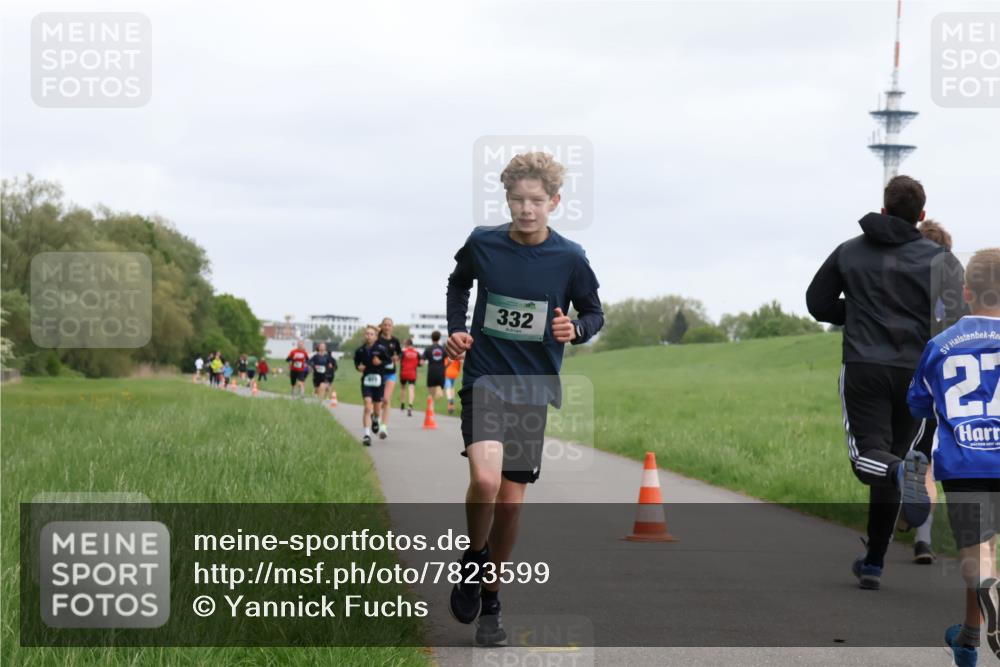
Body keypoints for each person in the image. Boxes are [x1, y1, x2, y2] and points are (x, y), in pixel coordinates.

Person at [445, 152, 604, 646]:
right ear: (507, 199)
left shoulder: (570, 257)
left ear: (554, 202)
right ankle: (474, 557)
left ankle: (491, 599)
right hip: (485, 378)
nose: (526, 209)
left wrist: (574, 329)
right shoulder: (483, 244)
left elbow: (594, 313)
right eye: (517, 199)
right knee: (485, 478)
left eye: (536, 200)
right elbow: (458, 283)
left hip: (532, 388)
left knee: (511, 506)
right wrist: (456, 330)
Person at [806, 175, 966, 590]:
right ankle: (874, 561)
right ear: (921, 216)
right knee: (897, 453)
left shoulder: (849, 251)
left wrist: (858, 314)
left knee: (870, 460)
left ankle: (898, 479)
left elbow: (817, 303)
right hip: (918, 373)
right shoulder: (942, 261)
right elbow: (951, 321)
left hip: (864, 366)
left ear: (883, 210)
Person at [907, 248, 1000, 666]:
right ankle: (969, 636)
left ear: (966, 293)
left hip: (965, 462)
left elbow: (919, 404)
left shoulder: (940, 345)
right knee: (987, 555)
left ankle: (976, 631)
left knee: (978, 552)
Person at [354, 325, 389, 446]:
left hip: (378, 381)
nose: (369, 336)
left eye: (371, 334)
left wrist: (380, 362)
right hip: (366, 381)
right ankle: (367, 435)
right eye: (367, 334)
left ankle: (375, 419)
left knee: (377, 408)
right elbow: (357, 363)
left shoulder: (381, 349)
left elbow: (388, 361)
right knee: (367, 406)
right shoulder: (360, 350)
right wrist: (359, 367)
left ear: (375, 337)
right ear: (364, 335)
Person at [377, 318, 403, 439]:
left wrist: (397, 357)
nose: (387, 327)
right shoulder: (377, 340)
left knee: (386, 399)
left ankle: (383, 427)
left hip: (390, 374)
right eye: (385, 325)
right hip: (377, 374)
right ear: (382, 326)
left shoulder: (395, 341)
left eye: (389, 325)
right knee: (378, 400)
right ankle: (375, 416)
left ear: (392, 327)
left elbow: (400, 353)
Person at [399, 338, 421, 416]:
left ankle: (402, 405)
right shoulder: (417, 353)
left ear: (406, 344)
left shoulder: (403, 352)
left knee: (403, 388)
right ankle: (410, 406)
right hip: (412, 373)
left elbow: (400, 361)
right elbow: (420, 363)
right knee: (411, 389)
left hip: (404, 373)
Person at [424, 330, 447, 403]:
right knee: (440, 391)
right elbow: (449, 360)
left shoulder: (428, 349)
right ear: (439, 338)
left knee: (431, 392)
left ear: (431, 338)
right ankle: (436, 401)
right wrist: (445, 367)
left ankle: (431, 402)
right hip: (441, 372)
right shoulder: (443, 349)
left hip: (431, 372)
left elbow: (422, 361)